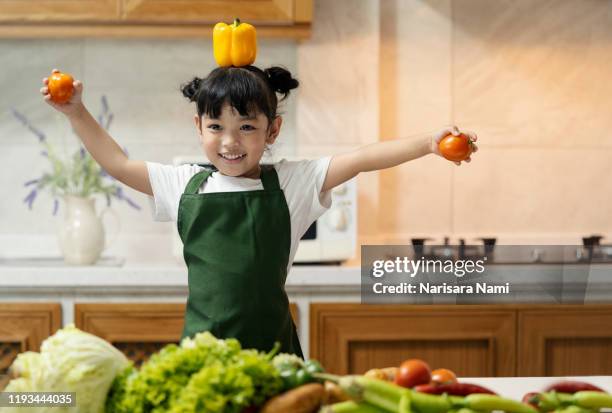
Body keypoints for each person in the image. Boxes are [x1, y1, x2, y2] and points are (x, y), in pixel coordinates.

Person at [40, 65, 478, 358]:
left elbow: (362, 157)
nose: (230, 142)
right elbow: (116, 162)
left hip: (275, 358)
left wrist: (426, 144)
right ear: (198, 126)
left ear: (273, 129)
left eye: (246, 127)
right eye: (216, 127)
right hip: (203, 355)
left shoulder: (292, 183)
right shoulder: (182, 183)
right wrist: (76, 113)